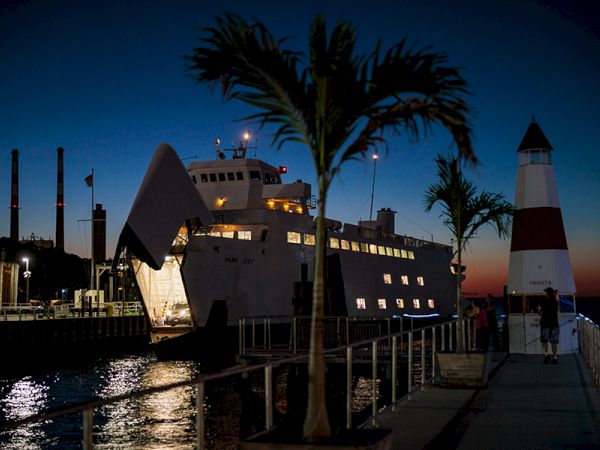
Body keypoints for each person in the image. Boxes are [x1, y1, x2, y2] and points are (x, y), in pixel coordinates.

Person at [540, 286, 560, 364]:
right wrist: (556, 294)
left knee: (544, 341)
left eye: (546, 292)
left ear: (547, 293)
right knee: (553, 342)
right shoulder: (555, 302)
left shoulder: (543, 301)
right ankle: (555, 358)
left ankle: (546, 356)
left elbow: (540, 310)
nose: (545, 293)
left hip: (545, 324)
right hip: (554, 324)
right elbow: (558, 304)